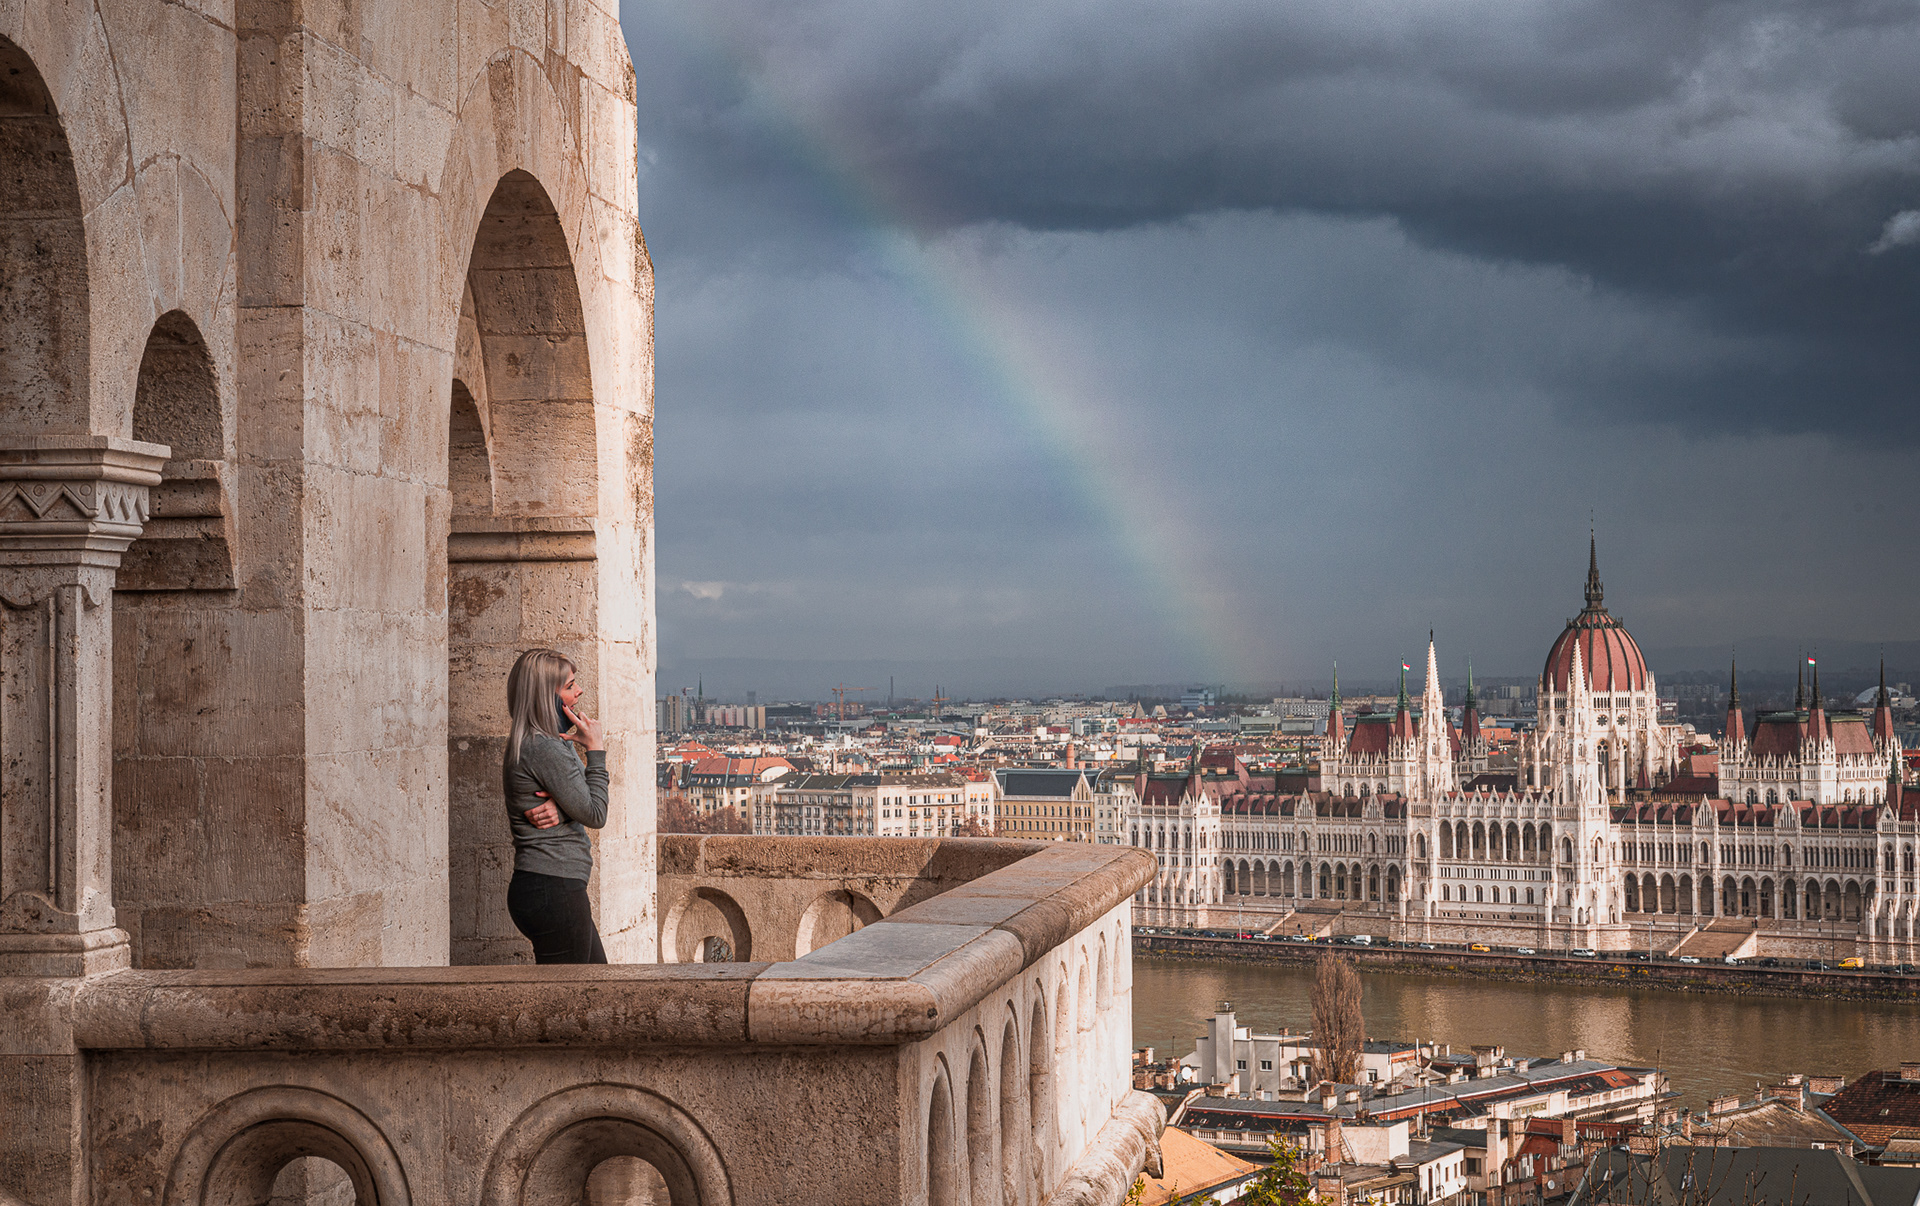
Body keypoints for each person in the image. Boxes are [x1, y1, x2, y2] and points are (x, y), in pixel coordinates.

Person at [502, 647, 609, 963]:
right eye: (570, 685)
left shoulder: (536, 741)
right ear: (545, 695)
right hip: (553, 888)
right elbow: (595, 813)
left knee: (597, 988)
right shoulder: (543, 747)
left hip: (550, 887)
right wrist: (596, 750)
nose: (579, 691)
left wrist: (562, 808)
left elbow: (578, 801)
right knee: (571, 1003)